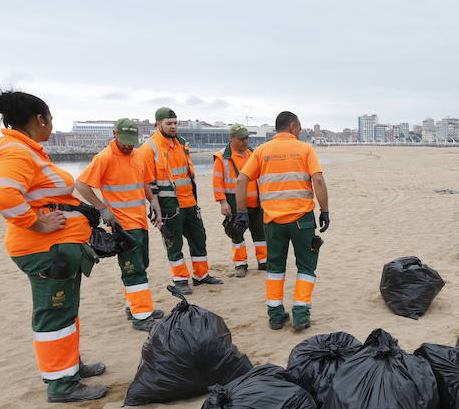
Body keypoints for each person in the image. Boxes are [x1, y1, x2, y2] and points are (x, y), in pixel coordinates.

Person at [0, 90, 107, 403]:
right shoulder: (16, 152)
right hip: (43, 249)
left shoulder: (30, 150)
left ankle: (70, 368)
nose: (52, 125)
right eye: (51, 119)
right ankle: (62, 385)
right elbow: (3, 196)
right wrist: (36, 223)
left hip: (58, 247)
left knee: (65, 311)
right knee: (54, 315)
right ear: (40, 119)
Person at [233, 111, 329, 331]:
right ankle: (300, 314)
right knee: (306, 265)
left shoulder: (261, 151)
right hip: (301, 219)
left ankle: (276, 316)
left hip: (273, 221)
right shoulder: (305, 149)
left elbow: (241, 180)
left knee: (275, 267)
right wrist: (325, 210)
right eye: (300, 127)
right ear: (293, 126)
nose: (301, 131)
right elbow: (318, 180)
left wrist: (242, 212)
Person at [75, 119, 165, 331]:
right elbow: (81, 184)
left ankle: (133, 306)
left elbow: (144, 182)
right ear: (115, 134)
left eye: (132, 141)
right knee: (134, 270)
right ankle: (142, 316)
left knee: (141, 264)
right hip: (122, 224)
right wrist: (102, 208)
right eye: (124, 141)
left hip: (140, 220)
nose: (128, 145)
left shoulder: (138, 155)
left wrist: (154, 202)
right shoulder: (105, 157)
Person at [138, 107, 222, 294]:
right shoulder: (149, 148)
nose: (173, 126)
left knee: (199, 239)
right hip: (169, 207)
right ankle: (180, 280)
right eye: (169, 123)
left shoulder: (182, 143)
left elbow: (187, 175)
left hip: (190, 203)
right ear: (157, 124)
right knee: (174, 244)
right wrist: (156, 210)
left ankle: (201, 276)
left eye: (175, 123)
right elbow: (148, 183)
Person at [212, 123, 265, 277]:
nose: (245, 142)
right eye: (241, 139)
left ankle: (264, 261)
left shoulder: (252, 153)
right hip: (233, 203)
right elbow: (217, 181)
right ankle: (240, 265)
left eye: (247, 138)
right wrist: (222, 202)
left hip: (255, 203)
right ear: (232, 138)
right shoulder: (222, 157)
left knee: (260, 234)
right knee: (237, 235)